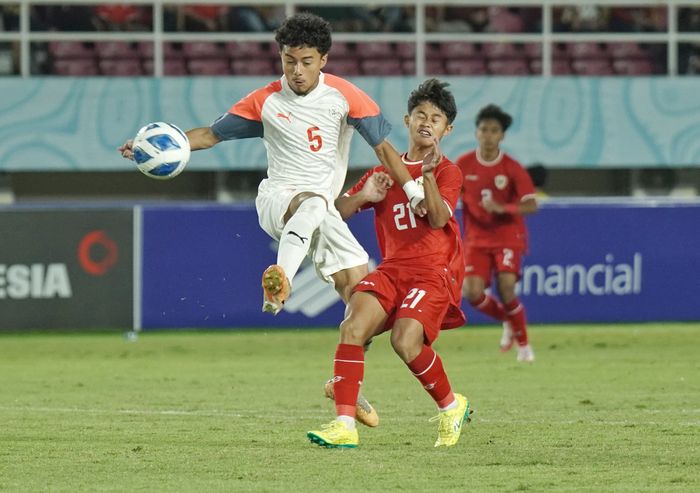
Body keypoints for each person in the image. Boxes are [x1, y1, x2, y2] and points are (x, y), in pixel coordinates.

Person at [119, 12, 425, 426]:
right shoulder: (265, 101)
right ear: (280, 57)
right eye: (288, 60)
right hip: (280, 200)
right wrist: (155, 146)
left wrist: (412, 190)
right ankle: (279, 283)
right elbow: (209, 134)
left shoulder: (347, 98)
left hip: (324, 216)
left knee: (370, 308)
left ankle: (342, 381)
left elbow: (385, 151)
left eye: (306, 61)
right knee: (313, 202)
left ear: (323, 60)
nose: (296, 71)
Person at [307, 79, 470, 449]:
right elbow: (335, 213)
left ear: (448, 129)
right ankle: (344, 425)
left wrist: (425, 175)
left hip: (432, 272)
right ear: (407, 120)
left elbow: (438, 219)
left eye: (437, 118)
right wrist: (364, 194)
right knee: (352, 326)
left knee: (404, 340)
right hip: (392, 270)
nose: (427, 122)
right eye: (420, 115)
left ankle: (450, 405)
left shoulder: (448, 172)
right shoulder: (382, 172)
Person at [456, 104, 538, 363]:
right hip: (476, 239)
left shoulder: (512, 168)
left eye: (494, 131)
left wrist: (503, 207)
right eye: (483, 129)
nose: (488, 135)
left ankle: (524, 347)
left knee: (506, 288)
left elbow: (531, 204)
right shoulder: (464, 164)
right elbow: (449, 194)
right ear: (476, 133)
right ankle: (507, 319)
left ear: (502, 135)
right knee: (472, 293)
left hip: (507, 236)